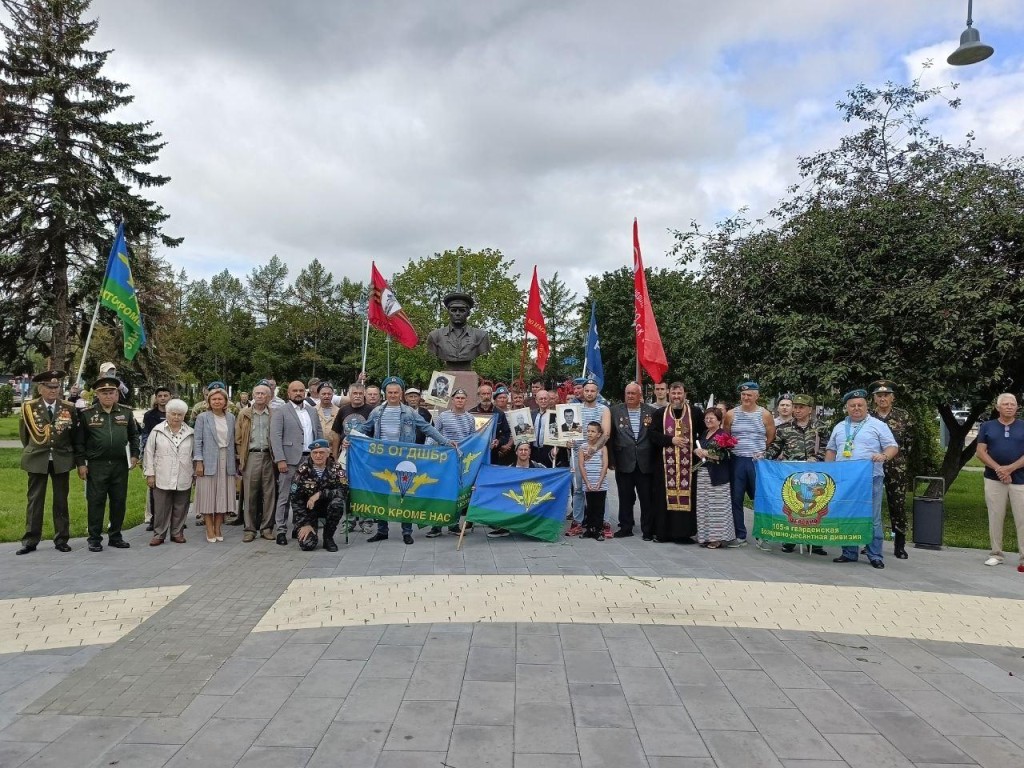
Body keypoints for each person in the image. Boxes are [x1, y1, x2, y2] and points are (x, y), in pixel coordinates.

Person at [348, 376, 455, 545]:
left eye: (396, 392)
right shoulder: (376, 412)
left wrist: (446, 442)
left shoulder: (411, 412)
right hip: (382, 459)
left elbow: (427, 428)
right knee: (381, 494)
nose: (392, 395)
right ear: (385, 393)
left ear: (401, 393)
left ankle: (407, 531)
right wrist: (350, 437)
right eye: (390, 392)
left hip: (405, 460)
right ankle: (382, 530)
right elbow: (365, 428)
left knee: (406, 494)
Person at [826, 389, 898, 570]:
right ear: (847, 408)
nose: (856, 408)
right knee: (847, 515)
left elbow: (892, 446)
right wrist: (828, 470)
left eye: (860, 405)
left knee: (872, 518)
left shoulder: (878, 425)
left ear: (867, 406)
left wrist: (883, 456)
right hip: (845, 480)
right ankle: (849, 552)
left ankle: (874, 555)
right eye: (852, 405)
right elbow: (831, 450)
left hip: (870, 478)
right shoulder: (840, 427)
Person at [74, 376, 140, 552]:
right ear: (98, 395)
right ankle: (94, 538)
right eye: (104, 393)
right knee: (96, 501)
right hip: (97, 465)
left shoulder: (126, 413)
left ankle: (115, 536)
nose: (108, 396)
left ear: (117, 394)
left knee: (119, 501)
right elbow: (79, 443)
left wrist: (134, 455)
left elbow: (134, 436)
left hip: (120, 465)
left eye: (111, 393)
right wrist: (81, 464)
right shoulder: (88, 414)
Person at [17, 370, 79, 555]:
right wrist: (36, 450)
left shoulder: (68, 407)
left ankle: (61, 539)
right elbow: (25, 436)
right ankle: (30, 539)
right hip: (37, 458)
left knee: (61, 500)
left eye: (56, 387)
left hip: (61, 459)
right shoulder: (29, 407)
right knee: (35, 500)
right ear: (40, 388)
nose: (53, 390)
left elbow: (73, 435)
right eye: (49, 387)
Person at [765, 394, 829, 555]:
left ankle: (815, 543)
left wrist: (817, 457)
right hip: (792, 474)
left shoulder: (820, 427)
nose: (797, 410)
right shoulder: (784, 428)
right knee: (794, 505)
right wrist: (763, 457)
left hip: (816, 475)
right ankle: (790, 539)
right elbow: (775, 448)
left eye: (801, 407)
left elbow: (827, 447)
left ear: (810, 410)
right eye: (796, 407)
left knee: (815, 507)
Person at [270, 380, 324, 545]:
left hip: (310, 460)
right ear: (288, 393)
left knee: (307, 496)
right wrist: (280, 459)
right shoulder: (281, 412)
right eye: (295, 391)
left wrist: (321, 454)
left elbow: (319, 432)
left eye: (301, 390)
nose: (298, 393)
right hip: (289, 460)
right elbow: (275, 437)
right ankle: (280, 530)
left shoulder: (312, 411)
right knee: (285, 496)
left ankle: (299, 527)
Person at [975, 393, 1024, 571]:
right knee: (995, 516)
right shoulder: (987, 426)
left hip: (1020, 480)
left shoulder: (1023, 426)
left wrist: (1009, 469)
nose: (1010, 407)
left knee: (1022, 518)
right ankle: (996, 553)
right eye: (1006, 404)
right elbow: (981, 452)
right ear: (998, 407)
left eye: (1013, 404)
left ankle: (1023, 557)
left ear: (1017, 407)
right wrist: (999, 469)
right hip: (994, 479)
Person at [724, 381, 776, 548]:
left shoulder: (765, 414)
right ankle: (740, 534)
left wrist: (760, 450)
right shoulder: (731, 414)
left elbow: (770, 436)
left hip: (757, 462)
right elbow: (726, 436)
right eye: (743, 394)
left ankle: (762, 535)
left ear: (757, 396)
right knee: (736, 498)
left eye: (749, 395)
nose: (746, 398)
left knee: (760, 498)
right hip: (737, 460)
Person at [649, 381, 701, 543]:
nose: (676, 397)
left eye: (679, 393)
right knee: (663, 498)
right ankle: (663, 533)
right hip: (665, 465)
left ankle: (683, 534)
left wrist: (701, 449)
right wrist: (671, 440)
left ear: (685, 394)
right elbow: (652, 435)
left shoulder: (695, 413)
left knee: (688, 496)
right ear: (669, 394)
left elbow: (704, 434)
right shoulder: (660, 414)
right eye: (674, 393)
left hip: (689, 465)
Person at [869, 380, 914, 559]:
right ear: (874, 399)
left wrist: (899, 460)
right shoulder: (868, 417)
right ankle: (870, 542)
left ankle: (899, 544)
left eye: (886, 395)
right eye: (879, 396)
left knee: (898, 505)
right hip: (872, 466)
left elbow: (909, 443)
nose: (882, 399)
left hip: (896, 467)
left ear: (893, 397)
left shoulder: (903, 416)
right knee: (872, 505)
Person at [608, 382, 659, 540]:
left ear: (640, 395)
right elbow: (610, 437)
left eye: (633, 393)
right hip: (624, 461)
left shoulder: (652, 411)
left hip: (645, 462)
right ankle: (625, 527)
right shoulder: (615, 411)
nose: (630, 396)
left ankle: (648, 530)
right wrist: (611, 459)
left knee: (646, 498)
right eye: (627, 393)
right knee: (625, 497)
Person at [427, 387, 477, 537]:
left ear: (466, 400)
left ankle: (453, 524)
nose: (460, 400)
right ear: (452, 400)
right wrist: (426, 449)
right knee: (440, 491)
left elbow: (472, 438)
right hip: (444, 460)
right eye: (457, 398)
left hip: (460, 461)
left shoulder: (470, 418)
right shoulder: (443, 416)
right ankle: (436, 525)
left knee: (456, 493)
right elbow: (434, 433)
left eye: (463, 398)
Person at [143, 399, 193, 546]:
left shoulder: (190, 433)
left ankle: (177, 533)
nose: (176, 417)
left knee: (181, 505)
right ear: (167, 414)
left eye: (180, 414)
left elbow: (194, 455)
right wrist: (150, 474)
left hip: (183, 473)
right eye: (173, 414)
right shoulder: (157, 431)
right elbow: (149, 453)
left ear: (184, 416)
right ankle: (159, 534)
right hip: (161, 474)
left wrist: (195, 474)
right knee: (161, 507)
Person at [193, 382, 238, 544]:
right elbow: (197, 441)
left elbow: (234, 441)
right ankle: (209, 528)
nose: (217, 402)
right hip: (208, 461)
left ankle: (219, 528)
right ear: (209, 402)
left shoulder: (231, 418)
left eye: (220, 399)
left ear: (225, 401)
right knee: (207, 496)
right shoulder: (202, 418)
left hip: (227, 461)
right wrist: (198, 462)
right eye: (214, 399)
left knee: (222, 496)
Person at [567, 380, 611, 537]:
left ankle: (604, 522)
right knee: (579, 489)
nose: (590, 393)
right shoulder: (574, 409)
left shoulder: (603, 409)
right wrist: (567, 440)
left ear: (597, 392)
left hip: (597, 454)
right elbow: (567, 431)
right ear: (582, 392)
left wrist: (593, 449)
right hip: (579, 454)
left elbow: (606, 433)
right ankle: (578, 522)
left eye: (593, 390)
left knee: (600, 489)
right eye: (587, 390)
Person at [235, 383, 277, 542]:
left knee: (269, 494)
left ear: (269, 397)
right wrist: (241, 458)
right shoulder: (244, 414)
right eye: (257, 393)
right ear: (253, 395)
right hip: (251, 456)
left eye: (263, 394)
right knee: (250, 494)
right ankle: (250, 529)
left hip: (269, 456)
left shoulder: (274, 414)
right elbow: (238, 438)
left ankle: (267, 528)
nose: (260, 396)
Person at [291, 439, 346, 552]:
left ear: (328, 453)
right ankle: (308, 529)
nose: (318, 456)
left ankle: (328, 537)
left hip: (328, 507)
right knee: (307, 545)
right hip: (308, 511)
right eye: (315, 453)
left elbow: (344, 491)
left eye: (321, 452)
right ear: (311, 454)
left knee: (338, 503)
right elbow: (295, 499)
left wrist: (320, 494)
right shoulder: (303, 470)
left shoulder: (336, 468)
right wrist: (304, 523)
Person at [691, 407, 734, 548]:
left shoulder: (723, 435)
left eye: (712, 418)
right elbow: (700, 450)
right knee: (704, 507)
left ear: (719, 420)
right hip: (703, 475)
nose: (708, 420)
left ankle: (717, 538)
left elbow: (724, 455)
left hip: (718, 476)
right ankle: (705, 536)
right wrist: (697, 450)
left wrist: (706, 452)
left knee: (717, 508)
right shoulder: (704, 433)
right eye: (706, 418)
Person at [488, 442, 548, 538]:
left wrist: (565, 474)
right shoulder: (509, 470)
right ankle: (504, 527)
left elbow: (551, 480)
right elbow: (498, 486)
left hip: (533, 501)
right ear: (516, 452)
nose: (523, 452)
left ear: (530, 452)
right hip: (515, 501)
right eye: (520, 450)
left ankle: (537, 527)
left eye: (526, 450)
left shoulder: (539, 467)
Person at [426, 291, 491, 371]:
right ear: (448, 312)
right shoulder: (435, 336)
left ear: (468, 313)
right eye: (453, 310)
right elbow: (431, 354)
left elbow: (483, 352)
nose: (457, 314)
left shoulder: (481, 336)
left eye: (462, 310)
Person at [141, 387, 171, 531]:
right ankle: (154, 519)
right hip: (156, 455)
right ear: (156, 398)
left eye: (166, 395)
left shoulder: (176, 413)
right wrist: (145, 457)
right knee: (155, 489)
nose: (163, 398)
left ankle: (174, 519)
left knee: (174, 489)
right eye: (160, 396)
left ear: (170, 397)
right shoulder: (149, 415)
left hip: (173, 455)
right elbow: (145, 436)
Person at [578, 421, 609, 540]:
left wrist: (600, 481)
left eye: (593, 431)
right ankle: (590, 529)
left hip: (600, 482)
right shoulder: (583, 448)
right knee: (590, 506)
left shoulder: (603, 448)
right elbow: (581, 465)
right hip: (588, 482)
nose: (590, 433)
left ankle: (599, 530)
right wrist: (586, 482)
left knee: (599, 507)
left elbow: (605, 465)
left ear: (599, 434)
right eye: (588, 431)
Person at [471, 382, 513, 465]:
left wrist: (499, 441)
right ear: (479, 395)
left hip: (493, 453)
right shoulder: (471, 413)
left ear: (491, 395)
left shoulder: (500, 414)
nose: (486, 396)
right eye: (483, 394)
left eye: (488, 394)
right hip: (475, 452)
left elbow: (506, 433)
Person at [315, 382, 338, 446]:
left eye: (329, 394)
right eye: (323, 394)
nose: (326, 396)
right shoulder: (313, 411)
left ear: (333, 395)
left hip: (334, 449)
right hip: (317, 449)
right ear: (318, 395)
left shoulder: (339, 411)